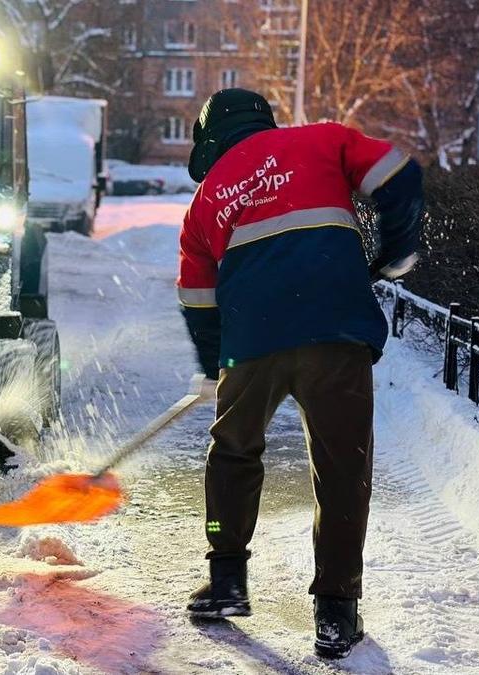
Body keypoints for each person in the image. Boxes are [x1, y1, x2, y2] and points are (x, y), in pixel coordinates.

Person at [177, 88, 424, 660]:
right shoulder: (324, 139)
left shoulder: (205, 201)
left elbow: (197, 298)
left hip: (253, 341)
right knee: (341, 464)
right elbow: (400, 176)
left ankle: (226, 581)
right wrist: (396, 253)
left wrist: (216, 365)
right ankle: (337, 611)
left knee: (234, 453)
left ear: (212, 140)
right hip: (336, 330)